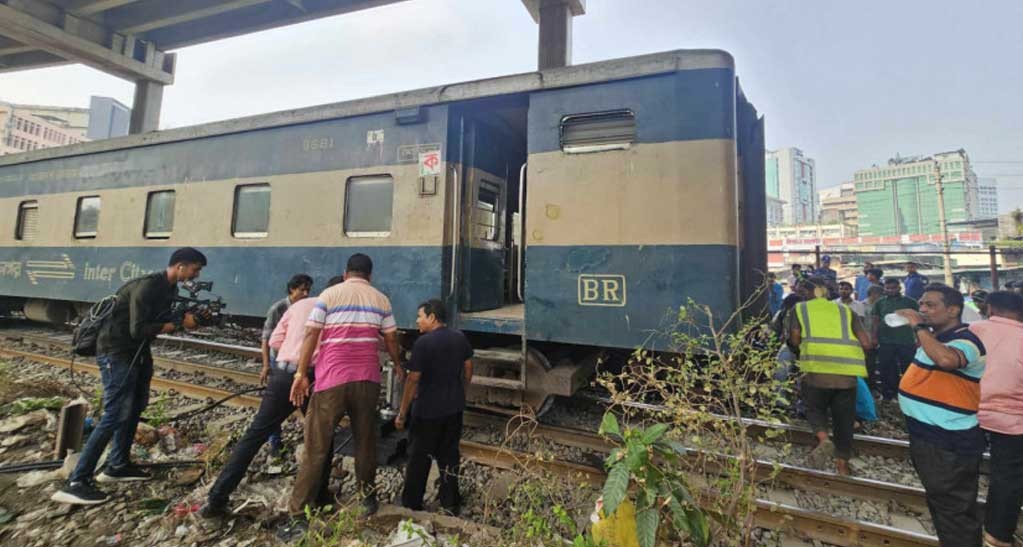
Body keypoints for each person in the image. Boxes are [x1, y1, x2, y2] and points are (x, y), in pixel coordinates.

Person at [52, 248, 208, 505]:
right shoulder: (146, 287)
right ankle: (77, 481)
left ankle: (117, 466)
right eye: (195, 268)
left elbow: (160, 320)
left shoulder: (169, 289)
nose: (197, 274)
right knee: (114, 414)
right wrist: (175, 325)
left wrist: (188, 320)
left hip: (136, 353)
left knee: (135, 406)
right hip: (116, 352)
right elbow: (138, 329)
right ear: (180, 266)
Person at [200, 276, 344, 518]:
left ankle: (216, 499)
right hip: (310, 379)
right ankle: (319, 495)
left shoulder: (299, 305)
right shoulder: (336, 312)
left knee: (255, 434)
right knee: (323, 437)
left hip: (282, 375)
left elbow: (275, 339)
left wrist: (291, 354)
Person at [285, 254, 402, 529]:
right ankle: (366, 499)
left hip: (331, 381)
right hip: (367, 380)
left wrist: (301, 374)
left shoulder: (329, 294)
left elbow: (311, 334)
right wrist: (397, 364)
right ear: (370, 276)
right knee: (365, 441)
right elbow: (391, 338)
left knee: (316, 446)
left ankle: (299, 514)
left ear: (346, 272)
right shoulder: (380, 299)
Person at [895, 284, 986, 547]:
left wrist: (918, 326)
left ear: (954, 310)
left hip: (947, 443)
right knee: (945, 505)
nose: (922, 309)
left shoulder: (967, 340)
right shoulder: (938, 337)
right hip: (932, 437)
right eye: (921, 304)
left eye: (930, 305)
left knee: (953, 510)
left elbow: (947, 361)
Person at [394, 299, 474, 514]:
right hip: (454, 409)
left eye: (420, 316)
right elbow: (468, 369)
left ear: (432, 317)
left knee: (418, 459)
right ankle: (451, 502)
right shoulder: (460, 337)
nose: (417, 321)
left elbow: (413, 380)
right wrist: (461, 392)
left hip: (427, 412)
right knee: (449, 455)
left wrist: (402, 413)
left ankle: (412, 503)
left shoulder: (423, 344)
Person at [788, 278, 871, 475]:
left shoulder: (800, 309)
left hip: (816, 371)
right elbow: (866, 343)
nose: (801, 294)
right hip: (846, 376)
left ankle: (824, 440)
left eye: (803, 291)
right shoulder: (846, 310)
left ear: (813, 292)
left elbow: (795, 337)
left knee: (814, 409)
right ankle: (842, 464)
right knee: (844, 419)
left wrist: (800, 352)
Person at [968, 291, 1023, 547]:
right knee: (1007, 477)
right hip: (1013, 420)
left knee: (962, 469)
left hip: (967, 413)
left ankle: (961, 526)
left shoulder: (972, 329)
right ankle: (997, 536)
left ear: (989, 308)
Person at [260, 274, 313, 455]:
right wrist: (266, 364)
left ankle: (313, 439)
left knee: (306, 401)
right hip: (280, 363)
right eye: (302, 290)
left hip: (299, 364)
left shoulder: (306, 307)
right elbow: (267, 338)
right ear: (292, 289)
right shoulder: (279, 308)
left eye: (308, 290)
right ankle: (274, 442)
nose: (305, 294)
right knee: (275, 406)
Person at [872, 278, 919, 401]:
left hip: (906, 340)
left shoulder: (910, 302)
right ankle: (888, 394)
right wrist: (874, 337)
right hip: (886, 341)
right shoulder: (880, 303)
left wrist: (919, 339)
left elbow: (918, 321)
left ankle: (909, 394)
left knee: (908, 368)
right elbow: (875, 321)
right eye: (888, 288)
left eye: (894, 288)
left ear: (899, 288)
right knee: (886, 368)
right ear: (884, 289)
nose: (891, 290)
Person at [860, 285, 885, 391]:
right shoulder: (862, 305)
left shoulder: (882, 305)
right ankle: (869, 387)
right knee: (868, 364)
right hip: (867, 338)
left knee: (878, 364)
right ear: (873, 294)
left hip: (881, 338)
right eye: (879, 295)